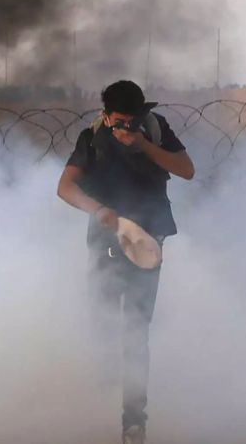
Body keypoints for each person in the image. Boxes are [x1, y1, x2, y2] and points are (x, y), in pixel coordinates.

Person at [57, 80, 194, 444]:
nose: (125, 129)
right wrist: (98, 209)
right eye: (119, 122)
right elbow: (66, 187)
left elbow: (186, 169)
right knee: (101, 322)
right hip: (105, 241)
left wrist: (146, 145)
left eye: (132, 121)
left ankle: (133, 420)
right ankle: (97, 398)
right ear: (106, 115)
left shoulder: (154, 129)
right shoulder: (93, 138)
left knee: (135, 331)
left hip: (148, 243)